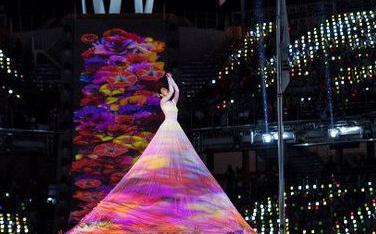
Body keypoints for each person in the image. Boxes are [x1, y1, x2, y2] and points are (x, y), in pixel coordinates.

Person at [69, 74, 255, 234]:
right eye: (164, 90)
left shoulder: (172, 100)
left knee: (182, 157)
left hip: (176, 128)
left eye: (167, 90)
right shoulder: (163, 101)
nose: (167, 91)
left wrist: (172, 80)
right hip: (168, 128)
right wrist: (169, 83)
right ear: (161, 94)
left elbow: (177, 92)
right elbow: (173, 93)